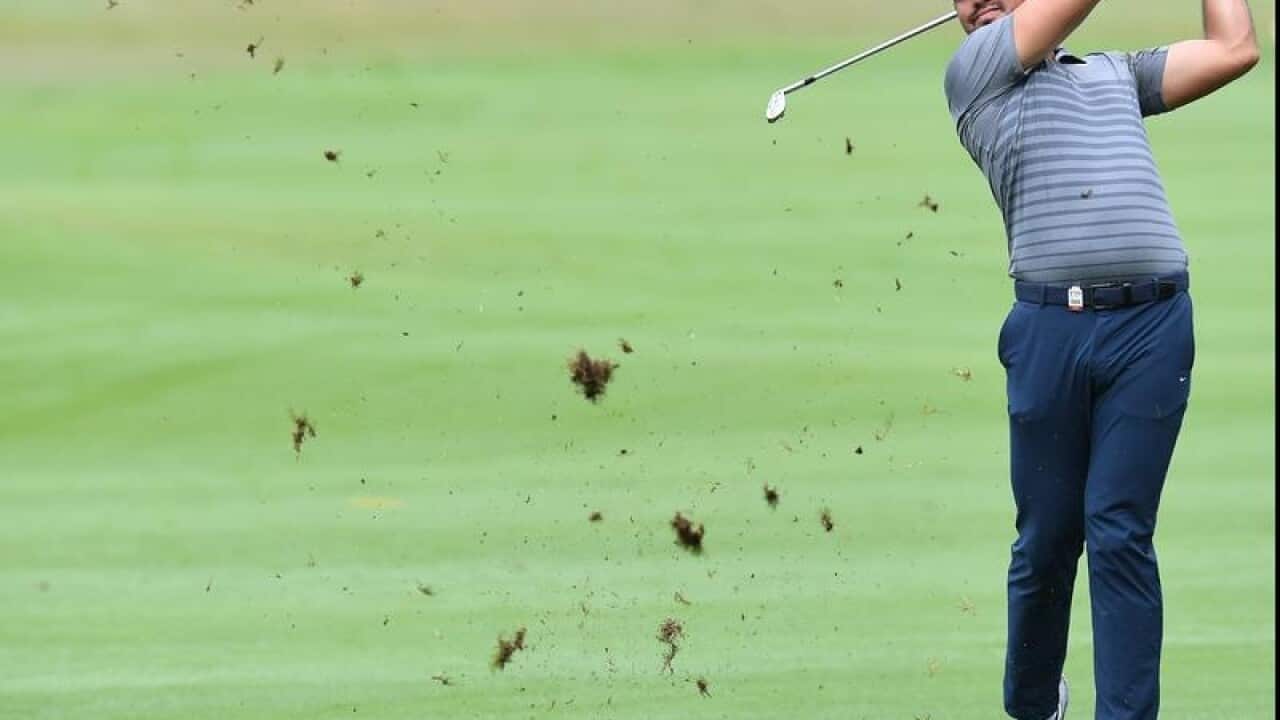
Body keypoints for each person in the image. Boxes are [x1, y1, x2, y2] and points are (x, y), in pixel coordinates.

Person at [942, 0, 1259, 718]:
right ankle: (1034, 703)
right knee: (1047, 540)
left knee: (1120, 530)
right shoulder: (975, 69)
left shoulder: (1116, 73)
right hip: (1049, 330)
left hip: (1153, 329)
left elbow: (1234, 48)